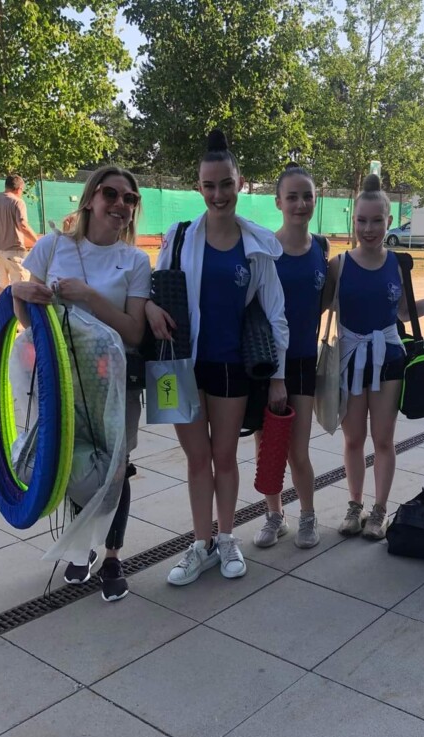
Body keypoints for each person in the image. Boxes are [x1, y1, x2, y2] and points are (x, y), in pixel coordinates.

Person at [148, 129, 288, 585]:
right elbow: (155, 290)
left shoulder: (256, 245)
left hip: (231, 366)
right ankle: (200, 543)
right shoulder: (180, 236)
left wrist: (278, 377)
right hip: (181, 365)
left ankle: (226, 538)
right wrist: (148, 308)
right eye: (209, 186)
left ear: (240, 182)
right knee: (197, 459)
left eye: (226, 184)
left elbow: (276, 314)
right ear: (199, 187)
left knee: (224, 457)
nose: (218, 194)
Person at [12, 165, 151, 601]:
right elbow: (29, 321)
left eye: (130, 198)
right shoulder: (53, 246)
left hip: (114, 384)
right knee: (71, 461)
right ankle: (79, 547)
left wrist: (88, 296)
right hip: (61, 380)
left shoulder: (135, 261)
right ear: (90, 198)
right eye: (111, 194)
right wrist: (19, 296)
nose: (120, 204)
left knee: (115, 469)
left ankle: (111, 556)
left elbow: (134, 332)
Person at [321, 173, 424, 541]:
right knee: (353, 440)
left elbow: (403, 312)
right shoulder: (338, 265)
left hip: (389, 359)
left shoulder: (397, 264)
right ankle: (355, 505)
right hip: (350, 360)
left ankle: (379, 509)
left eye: (376, 220)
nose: (369, 229)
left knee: (383, 439)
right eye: (362, 221)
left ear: (389, 221)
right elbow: (317, 307)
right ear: (353, 220)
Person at [253, 164, 328, 551]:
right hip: (267, 363)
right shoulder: (265, 249)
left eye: (307, 196)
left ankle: (308, 515)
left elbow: (323, 301)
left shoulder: (322, 248)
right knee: (268, 447)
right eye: (292, 196)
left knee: (299, 450)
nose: (300, 204)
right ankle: (274, 515)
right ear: (278, 201)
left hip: (302, 362)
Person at [0, 175, 39, 289]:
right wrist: (37, 240)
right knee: (22, 288)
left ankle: (0, 302)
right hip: (14, 252)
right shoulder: (18, 202)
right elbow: (23, 225)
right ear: (19, 188)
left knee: (3, 287)